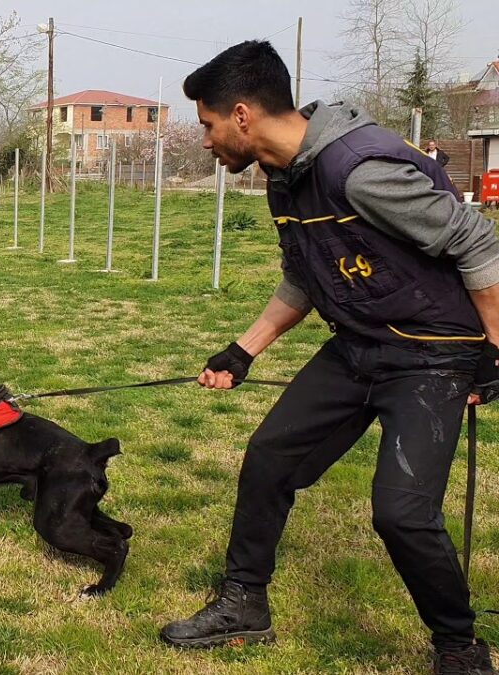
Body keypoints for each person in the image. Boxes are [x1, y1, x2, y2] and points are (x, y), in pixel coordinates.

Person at [159, 40, 499, 675]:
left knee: (401, 511)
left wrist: (494, 350)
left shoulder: (358, 168)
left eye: (206, 126)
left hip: (431, 355)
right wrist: (243, 350)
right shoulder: (286, 181)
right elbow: (309, 277)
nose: (205, 142)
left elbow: (476, 238)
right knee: (269, 459)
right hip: (357, 345)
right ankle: (244, 604)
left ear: (240, 115)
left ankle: (459, 646)